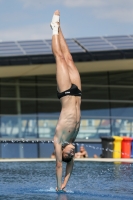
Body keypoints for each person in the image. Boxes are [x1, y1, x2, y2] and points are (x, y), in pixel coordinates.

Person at [51, 10, 82, 192]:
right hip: (77, 93)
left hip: (65, 92)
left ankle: (54, 29)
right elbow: (71, 167)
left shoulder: (58, 139)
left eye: (67, 154)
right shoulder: (73, 139)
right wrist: (66, 184)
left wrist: (58, 186)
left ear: (61, 152)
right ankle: (60, 27)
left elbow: (60, 167)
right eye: (72, 154)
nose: (72, 152)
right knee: (69, 58)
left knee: (60, 59)